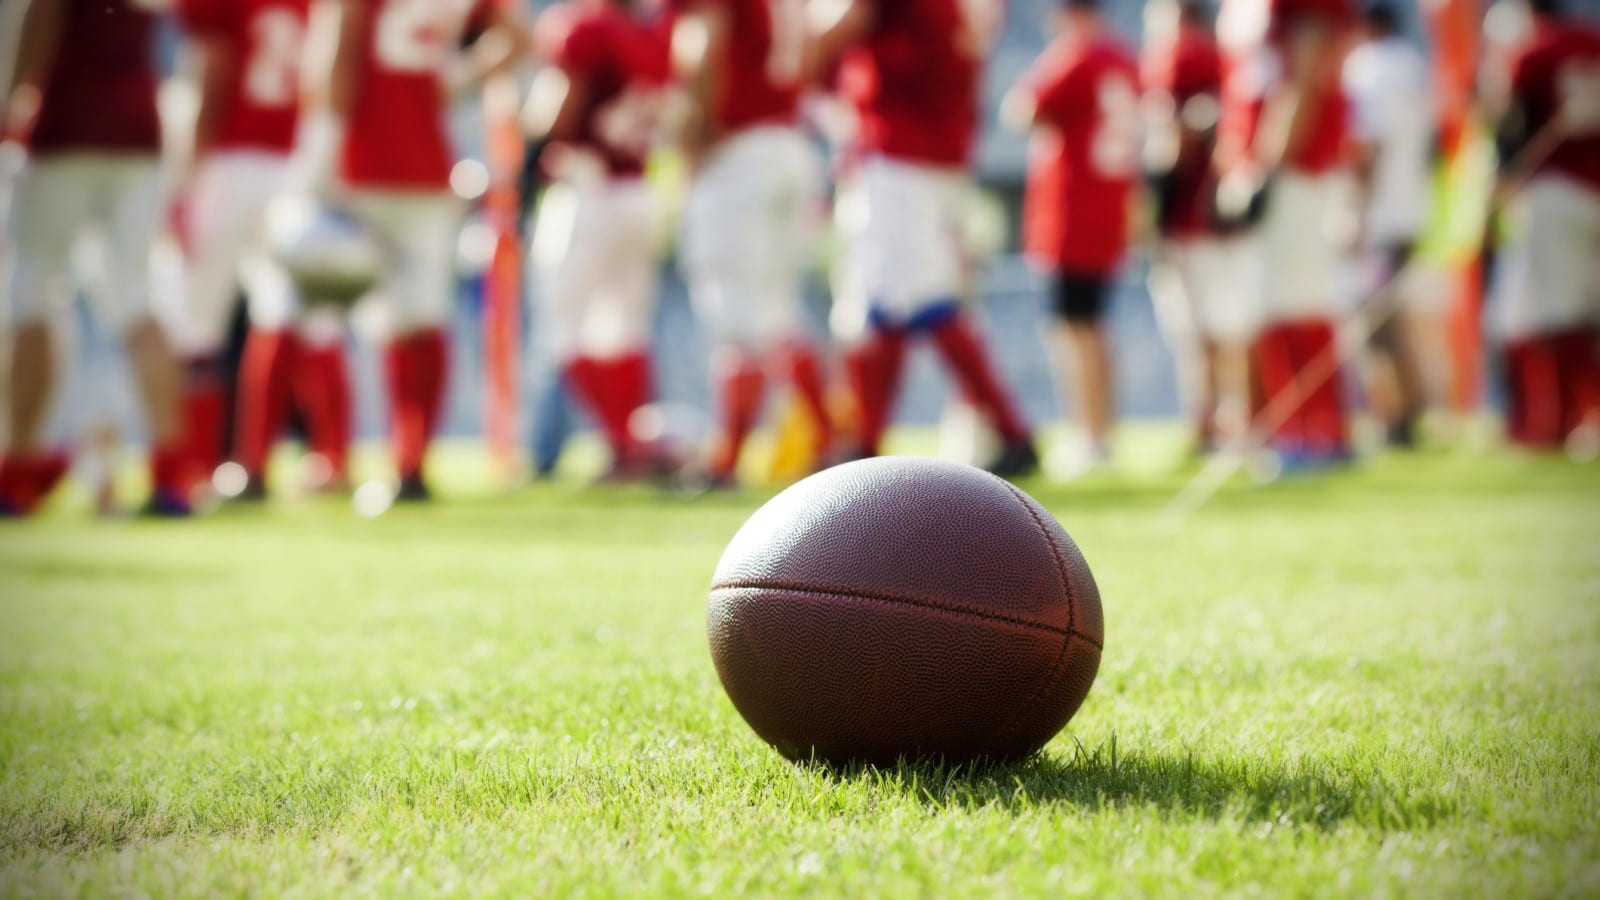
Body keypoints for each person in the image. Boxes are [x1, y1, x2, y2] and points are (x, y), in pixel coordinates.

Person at [295, 0, 529, 500]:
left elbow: (336, 58)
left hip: (363, 160)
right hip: (427, 162)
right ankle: (412, 462)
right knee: (420, 315)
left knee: (325, 313)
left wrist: (320, 154)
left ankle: (333, 457)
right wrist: (449, 81)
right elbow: (519, 37)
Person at [810, 0, 1039, 477]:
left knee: (917, 299)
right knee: (885, 302)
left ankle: (1012, 431)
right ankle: (867, 440)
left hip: (897, 152)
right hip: (940, 152)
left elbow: (828, 33)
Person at [0, 0, 191, 516]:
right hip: (139, 128)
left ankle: (19, 467)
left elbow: (43, 16)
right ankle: (171, 470)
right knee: (133, 297)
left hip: (69, 123)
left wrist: (11, 99)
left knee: (30, 292)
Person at [171, 0, 354, 499]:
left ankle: (197, 468)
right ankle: (323, 458)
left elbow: (209, 76)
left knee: (199, 321)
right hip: (296, 165)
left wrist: (185, 177)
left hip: (232, 162)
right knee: (301, 315)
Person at [670, 0, 834, 487]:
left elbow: (703, 47)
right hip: (789, 145)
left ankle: (729, 455)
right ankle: (826, 440)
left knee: (735, 314)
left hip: (739, 152)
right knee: (778, 311)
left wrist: (694, 131)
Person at [524, 0, 670, 481]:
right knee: (623, 331)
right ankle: (629, 445)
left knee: (563, 329)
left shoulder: (587, 26)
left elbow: (558, 112)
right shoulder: (652, 33)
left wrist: (526, 152)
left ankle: (622, 442)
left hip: (586, 189)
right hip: (637, 189)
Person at [1214, 0, 1356, 467]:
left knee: (1295, 306)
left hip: (1294, 175)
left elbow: (1303, 76)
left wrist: (1264, 172)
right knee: (1275, 308)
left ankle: (1315, 434)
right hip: (1274, 171)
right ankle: (1303, 433)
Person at [1003, 0, 1140, 478]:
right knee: (1094, 326)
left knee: (1072, 328)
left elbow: (1021, 110)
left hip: (1072, 211)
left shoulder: (1076, 55)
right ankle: (1103, 431)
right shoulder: (1123, 58)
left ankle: (1090, 433)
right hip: (1108, 207)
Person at [1488, 0, 1600, 449]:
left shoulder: (1533, 51)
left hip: (1556, 189)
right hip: (1593, 184)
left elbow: (1512, 123)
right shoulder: (1591, 40)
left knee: (1557, 312)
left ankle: (1569, 419)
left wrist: (1503, 178)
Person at [1141, 0, 1250, 456]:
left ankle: (1209, 424)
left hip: (1190, 214)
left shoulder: (1181, 54)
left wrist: (1153, 203)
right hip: (1225, 212)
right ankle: (1231, 419)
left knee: (1199, 329)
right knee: (1225, 327)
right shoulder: (1229, 53)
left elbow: (1175, 141)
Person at [1342, 0, 1439, 448]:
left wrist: (1356, 213)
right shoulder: (1414, 66)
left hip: (1380, 215)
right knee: (1392, 318)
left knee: (1377, 324)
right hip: (1412, 208)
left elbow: (1369, 145)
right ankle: (1410, 416)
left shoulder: (1370, 69)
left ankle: (1400, 420)